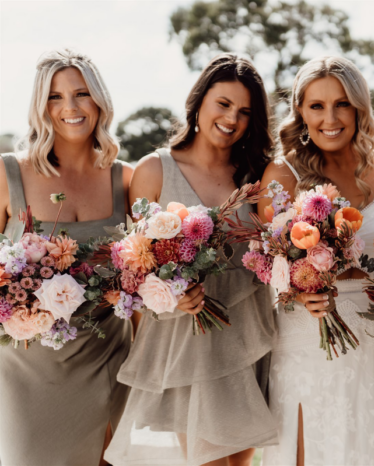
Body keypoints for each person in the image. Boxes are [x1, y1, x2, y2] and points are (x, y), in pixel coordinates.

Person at [104, 53, 277, 466]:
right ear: (199, 101)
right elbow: (134, 266)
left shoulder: (256, 175)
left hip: (248, 334)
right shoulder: (154, 170)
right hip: (186, 344)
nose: (232, 118)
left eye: (244, 112)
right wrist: (170, 295)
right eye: (223, 104)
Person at [259, 56, 374, 466]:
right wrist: (296, 287)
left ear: (359, 108)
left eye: (342, 104)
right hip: (310, 329)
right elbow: (269, 263)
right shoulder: (282, 175)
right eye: (316, 106)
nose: (330, 118)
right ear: (300, 112)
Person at [0, 48, 132, 466]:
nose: (71, 108)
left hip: (107, 357)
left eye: (82, 94)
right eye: (56, 97)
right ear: (41, 107)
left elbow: (145, 271)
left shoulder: (126, 179)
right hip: (26, 368)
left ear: (100, 101)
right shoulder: (7, 174)